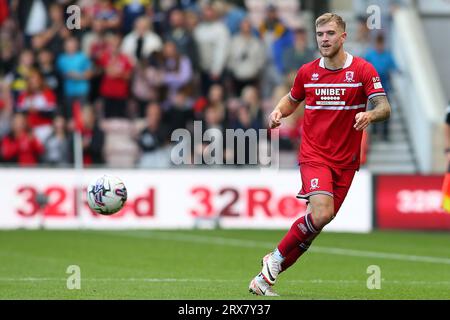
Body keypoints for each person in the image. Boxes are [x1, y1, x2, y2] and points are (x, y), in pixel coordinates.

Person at [248, 13, 391, 296]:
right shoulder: (308, 72)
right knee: (322, 213)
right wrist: (278, 111)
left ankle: (262, 281)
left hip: (346, 162)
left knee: (315, 225)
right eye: (320, 34)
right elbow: (291, 100)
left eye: (329, 33)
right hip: (315, 155)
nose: (324, 39)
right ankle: (274, 259)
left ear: (343, 36)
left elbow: (385, 107)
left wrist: (370, 115)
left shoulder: (363, 71)